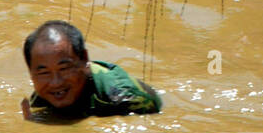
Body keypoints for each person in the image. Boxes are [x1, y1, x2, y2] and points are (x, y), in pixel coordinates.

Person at [20, 20, 161, 120]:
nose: (56, 82)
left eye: (64, 68)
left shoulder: (125, 97)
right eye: (44, 72)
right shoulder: (44, 95)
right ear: (31, 73)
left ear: (85, 59)